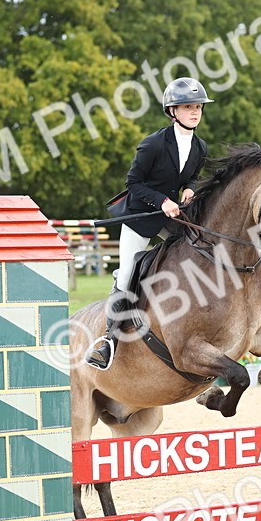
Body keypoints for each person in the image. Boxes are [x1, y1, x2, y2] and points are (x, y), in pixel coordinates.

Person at [85, 77, 213, 370]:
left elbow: (192, 175)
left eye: (198, 107)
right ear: (172, 111)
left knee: (199, 248)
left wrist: (190, 188)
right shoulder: (153, 144)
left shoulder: (200, 146)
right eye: (187, 107)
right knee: (128, 272)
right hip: (142, 216)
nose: (195, 112)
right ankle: (108, 342)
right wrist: (162, 202)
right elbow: (134, 184)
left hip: (171, 214)